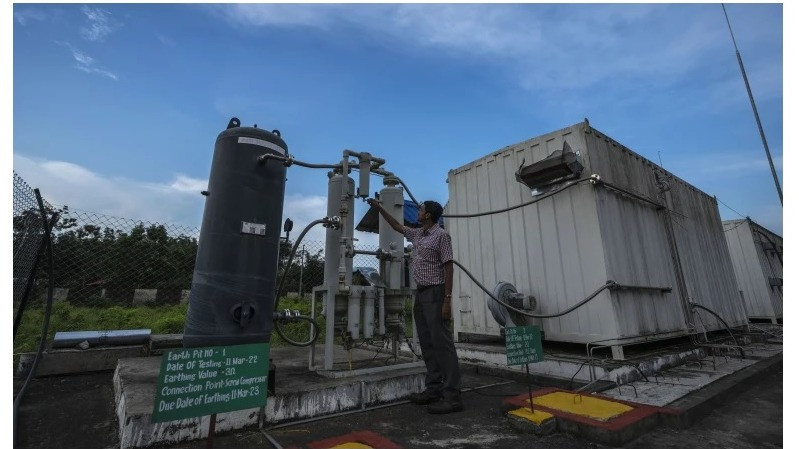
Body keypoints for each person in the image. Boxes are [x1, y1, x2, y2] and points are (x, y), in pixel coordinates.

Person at [366, 198, 463, 414]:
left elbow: (449, 268)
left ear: (428, 215)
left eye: (420, 209)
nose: (417, 212)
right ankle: (434, 388)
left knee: (442, 343)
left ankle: (452, 396)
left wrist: (447, 299)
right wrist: (380, 207)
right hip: (421, 294)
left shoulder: (441, 236)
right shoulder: (418, 234)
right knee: (427, 343)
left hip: (436, 292)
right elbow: (397, 226)